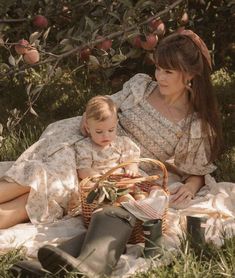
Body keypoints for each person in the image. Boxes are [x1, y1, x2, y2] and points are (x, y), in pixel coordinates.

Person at [8, 29, 222, 277]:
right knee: (38, 175)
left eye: (168, 72)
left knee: (43, 188)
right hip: (91, 138)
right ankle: (71, 264)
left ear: (191, 75)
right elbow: (107, 105)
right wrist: (90, 120)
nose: (159, 76)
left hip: (119, 164)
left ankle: (70, 265)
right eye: (159, 68)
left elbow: (196, 169)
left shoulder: (193, 124)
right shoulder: (142, 86)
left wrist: (192, 186)